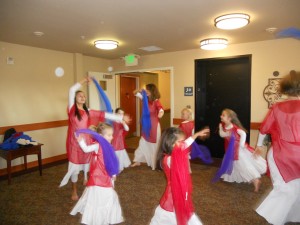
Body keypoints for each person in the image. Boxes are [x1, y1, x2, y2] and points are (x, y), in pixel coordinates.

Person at [59, 77, 130, 201]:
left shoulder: (88, 110)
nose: (82, 97)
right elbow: (72, 89)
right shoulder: (72, 109)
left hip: (86, 140)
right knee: (75, 168)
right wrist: (83, 80)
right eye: (80, 95)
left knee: (87, 164)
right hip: (74, 142)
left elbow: (103, 114)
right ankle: (74, 190)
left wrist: (118, 118)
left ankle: (86, 179)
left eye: (84, 96)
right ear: (75, 98)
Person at [255, 70, 300, 225]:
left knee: (284, 188)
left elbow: (264, 128)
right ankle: (284, 217)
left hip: (280, 154)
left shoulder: (277, 107)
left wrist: (259, 146)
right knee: (296, 188)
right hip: (296, 154)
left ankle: (280, 217)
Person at [150, 127, 209, 225]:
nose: (183, 144)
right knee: (166, 217)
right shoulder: (169, 159)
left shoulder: (176, 152)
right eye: (181, 141)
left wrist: (197, 134)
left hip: (180, 193)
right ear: (171, 143)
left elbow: (186, 144)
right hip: (173, 195)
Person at [70, 123, 124, 225]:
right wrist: (80, 140)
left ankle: (106, 215)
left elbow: (112, 161)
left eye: (112, 135)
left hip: (106, 175)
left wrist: (113, 174)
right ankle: (97, 218)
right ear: (101, 136)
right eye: (109, 135)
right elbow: (86, 149)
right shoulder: (97, 145)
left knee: (108, 195)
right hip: (98, 177)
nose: (112, 137)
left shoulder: (109, 146)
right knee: (101, 196)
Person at [213, 108, 266, 192]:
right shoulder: (223, 125)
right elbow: (222, 135)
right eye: (221, 115)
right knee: (237, 165)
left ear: (229, 118)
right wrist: (221, 129)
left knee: (242, 165)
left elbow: (243, 133)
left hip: (237, 150)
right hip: (230, 149)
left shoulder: (233, 127)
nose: (221, 116)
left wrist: (241, 144)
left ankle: (255, 180)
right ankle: (248, 178)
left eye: (223, 115)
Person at [131, 84, 164, 170]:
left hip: (154, 125)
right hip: (146, 125)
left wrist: (161, 113)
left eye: (147, 90)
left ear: (152, 91)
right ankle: (138, 160)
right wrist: (140, 89)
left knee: (154, 145)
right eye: (146, 90)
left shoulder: (156, 101)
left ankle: (154, 163)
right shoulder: (144, 98)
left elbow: (160, 109)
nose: (146, 92)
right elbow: (134, 92)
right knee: (143, 142)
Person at [112, 107, 131, 172]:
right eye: (119, 113)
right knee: (114, 152)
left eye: (122, 114)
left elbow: (127, 129)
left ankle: (119, 166)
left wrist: (124, 123)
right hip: (113, 139)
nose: (121, 115)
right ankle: (114, 165)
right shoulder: (113, 121)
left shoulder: (122, 122)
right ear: (115, 114)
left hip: (119, 140)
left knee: (119, 152)